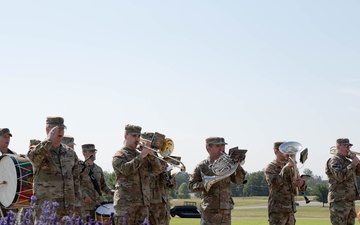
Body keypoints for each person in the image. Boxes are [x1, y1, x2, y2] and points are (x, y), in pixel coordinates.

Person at [27, 117, 82, 220]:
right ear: (47, 129)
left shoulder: (70, 153)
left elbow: (75, 178)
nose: (60, 131)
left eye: (62, 128)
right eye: (56, 129)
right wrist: (49, 140)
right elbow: (33, 158)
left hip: (67, 208)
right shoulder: (39, 148)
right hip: (46, 209)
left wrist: (76, 202)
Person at [189, 137, 247, 225]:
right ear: (209, 148)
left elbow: (239, 180)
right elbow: (191, 186)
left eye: (223, 146)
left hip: (225, 210)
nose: (222, 149)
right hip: (209, 211)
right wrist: (206, 183)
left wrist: (237, 165)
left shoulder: (230, 164)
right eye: (218, 146)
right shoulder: (201, 166)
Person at [112, 125, 162, 225]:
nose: (137, 139)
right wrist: (141, 155)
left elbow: (157, 170)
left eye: (139, 136)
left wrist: (152, 156)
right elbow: (126, 170)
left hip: (143, 205)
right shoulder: (119, 155)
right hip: (125, 205)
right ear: (126, 136)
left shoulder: (143, 154)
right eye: (134, 136)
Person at [264, 141, 307, 225]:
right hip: (277, 210)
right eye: (283, 150)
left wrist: (302, 184)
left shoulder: (292, 166)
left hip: (290, 210)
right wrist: (285, 169)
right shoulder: (271, 167)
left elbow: (301, 188)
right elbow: (275, 183)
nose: (287, 153)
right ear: (275, 151)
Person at [326, 138, 360, 225]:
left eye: (349, 146)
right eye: (346, 146)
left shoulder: (347, 161)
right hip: (339, 202)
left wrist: (356, 161)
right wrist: (352, 164)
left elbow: (359, 172)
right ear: (338, 146)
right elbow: (339, 176)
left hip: (349, 202)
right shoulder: (334, 160)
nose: (348, 148)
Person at [79, 144, 113, 221]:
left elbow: (103, 186)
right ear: (83, 153)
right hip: (85, 207)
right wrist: (84, 196)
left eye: (94, 151)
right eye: (91, 151)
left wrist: (112, 193)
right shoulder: (79, 168)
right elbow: (75, 185)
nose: (93, 153)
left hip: (98, 206)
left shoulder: (98, 169)